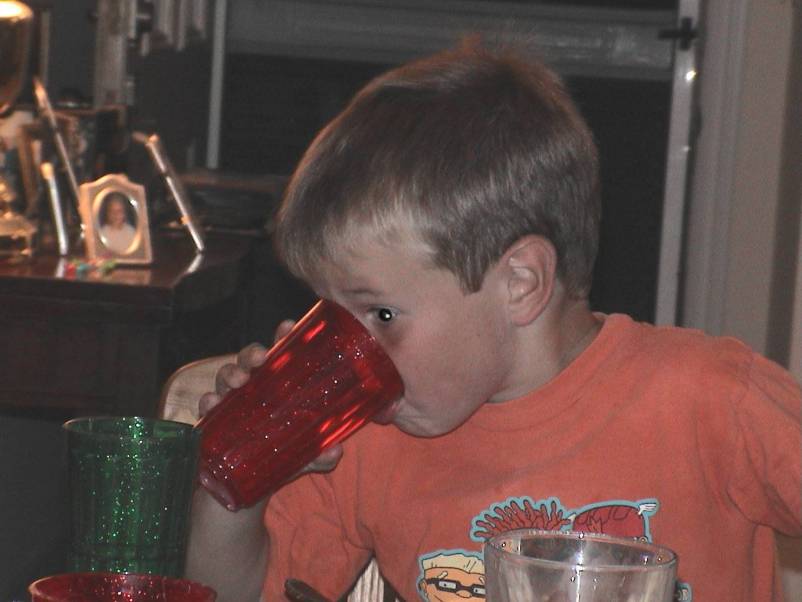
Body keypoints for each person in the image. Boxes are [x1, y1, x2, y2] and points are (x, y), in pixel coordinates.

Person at [185, 39, 801, 601]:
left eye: (381, 314)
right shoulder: (367, 440)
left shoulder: (709, 401)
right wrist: (240, 476)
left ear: (520, 284)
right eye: (329, 315)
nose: (349, 355)